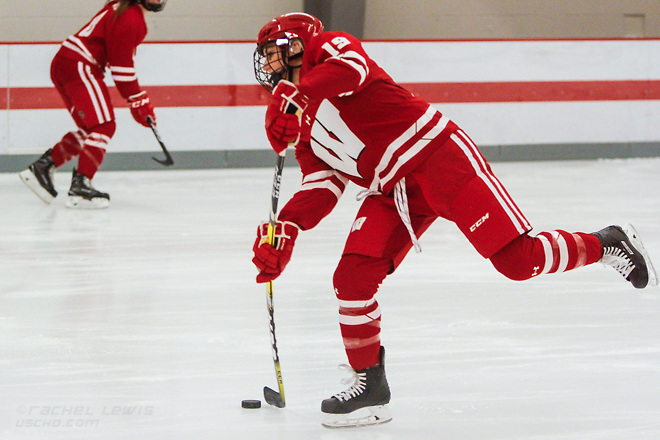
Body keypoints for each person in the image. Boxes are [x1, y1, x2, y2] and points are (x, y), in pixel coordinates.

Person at [251, 12, 658, 428]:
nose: (268, 64)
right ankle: (370, 386)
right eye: (264, 57)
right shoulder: (299, 125)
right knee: (352, 277)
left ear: (297, 46)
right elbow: (322, 183)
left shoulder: (328, 49)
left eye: (273, 52)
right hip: (393, 190)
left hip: (437, 157)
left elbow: (350, 69)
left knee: (518, 262)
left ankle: (606, 243)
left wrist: (299, 95)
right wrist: (286, 228)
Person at [19, 0, 167, 209]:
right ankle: (81, 183)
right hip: (79, 65)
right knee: (104, 126)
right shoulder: (131, 17)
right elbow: (122, 69)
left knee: (91, 129)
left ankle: (43, 168)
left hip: (67, 62)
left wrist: (137, 100)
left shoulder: (123, 9)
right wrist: (138, 101)